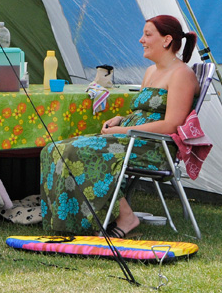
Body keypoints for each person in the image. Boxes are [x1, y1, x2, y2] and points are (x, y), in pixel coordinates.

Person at [39, 15, 199, 238]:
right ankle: (68, 223)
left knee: (78, 152)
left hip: (151, 147)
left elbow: (171, 124)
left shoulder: (182, 75)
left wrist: (123, 131)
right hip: (129, 137)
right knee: (53, 148)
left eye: (148, 34)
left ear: (166, 40)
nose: (141, 40)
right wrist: (122, 119)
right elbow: (141, 112)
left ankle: (126, 217)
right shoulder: (151, 71)